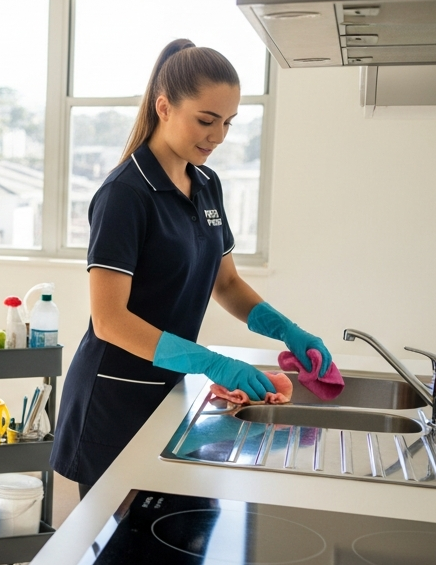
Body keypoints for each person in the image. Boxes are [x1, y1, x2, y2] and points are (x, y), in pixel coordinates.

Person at [51, 39, 332, 499]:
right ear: (164, 107)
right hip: (115, 398)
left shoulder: (205, 184)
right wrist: (212, 362)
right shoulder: (126, 194)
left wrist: (289, 332)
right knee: (115, 553)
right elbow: (109, 320)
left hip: (171, 388)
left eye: (227, 122)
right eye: (206, 120)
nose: (218, 135)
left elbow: (226, 282)